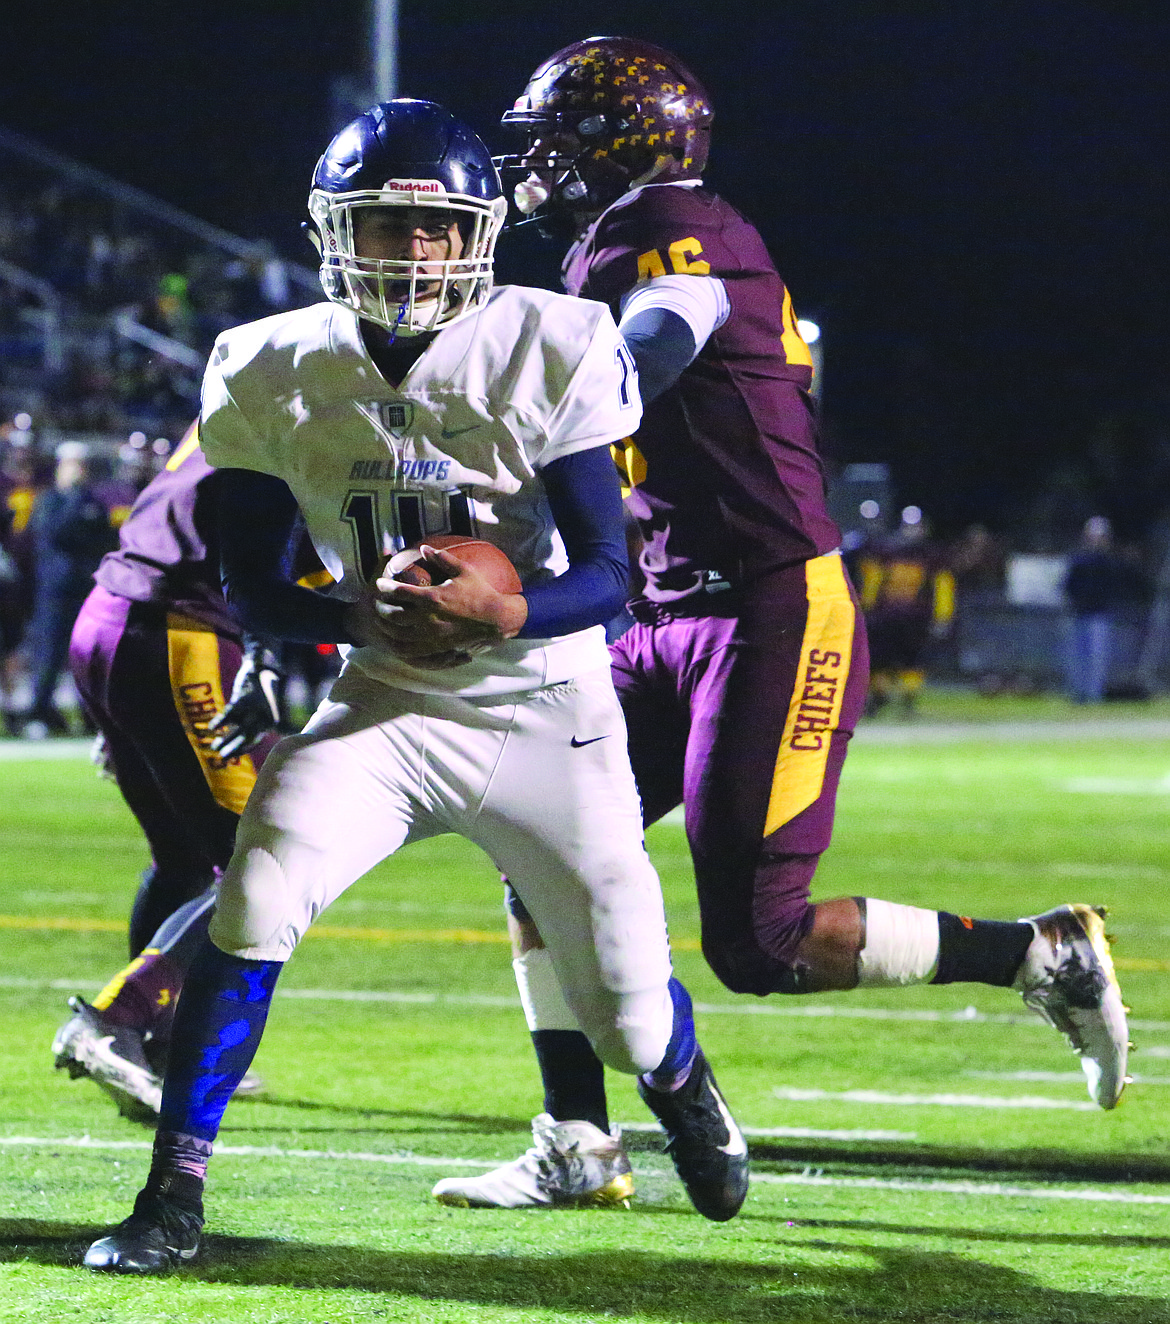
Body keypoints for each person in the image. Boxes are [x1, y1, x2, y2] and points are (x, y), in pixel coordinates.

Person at [427, 37, 1131, 1212]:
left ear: (622, 144)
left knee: (759, 944)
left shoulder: (681, 232)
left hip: (767, 604)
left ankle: (1037, 953)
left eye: (556, 136)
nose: (537, 161)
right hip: (665, 609)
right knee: (535, 844)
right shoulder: (611, 242)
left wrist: (542, 399)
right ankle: (577, 1142)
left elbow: (659, 336)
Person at [83, 99, 748, 1276]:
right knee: (257, 889)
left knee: (629, 1012)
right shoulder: (267, 362)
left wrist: (500, 610)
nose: (414, 251)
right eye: (386, 227)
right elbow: (251, 584)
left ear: (478, 234)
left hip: (548, 702)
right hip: (386, 696)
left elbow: (607, 576)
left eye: (436, 228)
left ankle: (685, 1086)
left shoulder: (551, 340)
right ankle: (171, 1192)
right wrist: (353, 614)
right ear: (337, 233)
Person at [52, 420, 291, 1116]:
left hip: (109, 620)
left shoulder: (246, 388)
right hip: (178, 631)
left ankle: (156, 1049)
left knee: (184, 858)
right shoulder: (320, 405)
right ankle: (116, 1020)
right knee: (268, 861)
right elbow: (268, 560)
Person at [20, 441, 118, 737]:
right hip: (54, 593)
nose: (79, 470)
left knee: (89, 657)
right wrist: (76, 499)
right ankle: (39, 713)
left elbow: (102, 542)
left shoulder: (93, 502)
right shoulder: (50, 500)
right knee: (48, 654)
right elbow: (57, 532)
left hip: (85, 590)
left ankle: (91, 717)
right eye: (73, 463)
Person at [853, 505, 955, 715]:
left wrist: (943, 616)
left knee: (912, 660)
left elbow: (943, 588)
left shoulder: (932, 556)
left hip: (916, 617)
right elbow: (873, 581)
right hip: (886, 616)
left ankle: (907, 702)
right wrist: (866, 608)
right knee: (879, 660)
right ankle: (879, 698)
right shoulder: (885, 552)